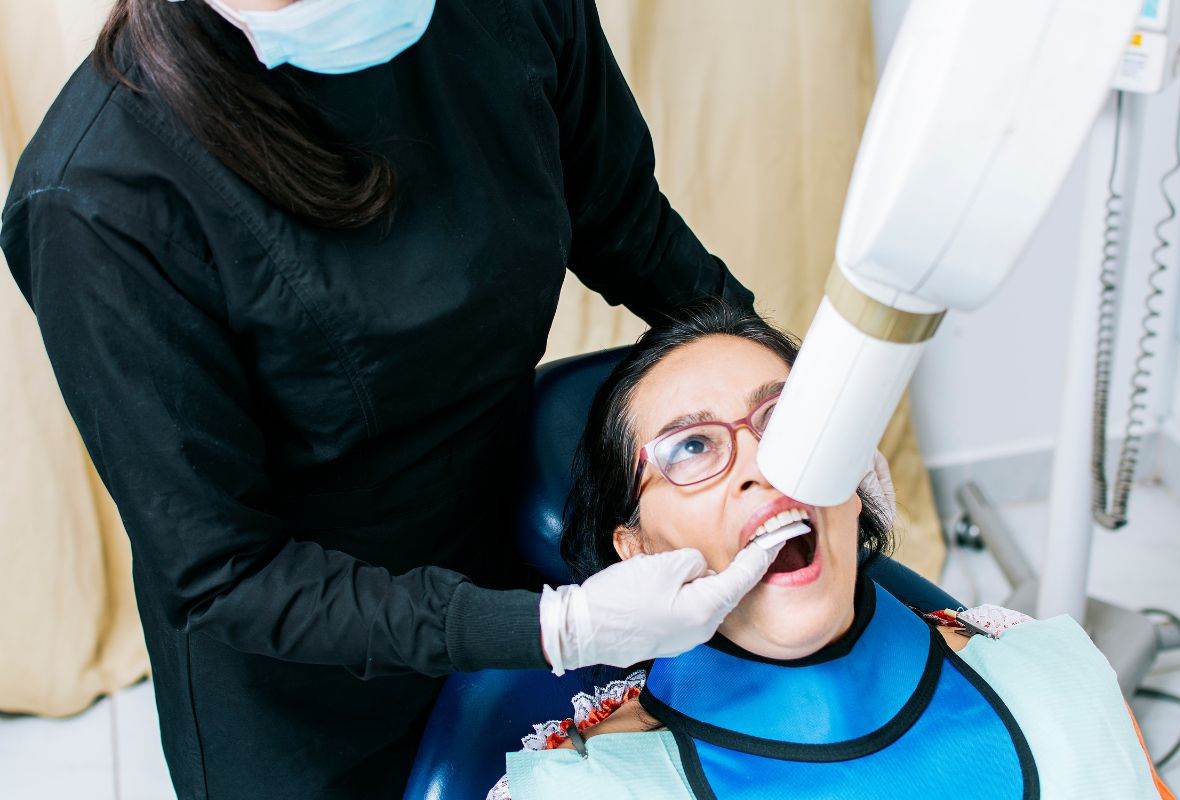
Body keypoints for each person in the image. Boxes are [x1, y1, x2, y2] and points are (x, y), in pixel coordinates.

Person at [0, 2, 777, 798]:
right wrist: (555, 629)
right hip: (312, 681)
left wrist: (801, 404)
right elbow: (224, 572)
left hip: (516, 544)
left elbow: (629, 227)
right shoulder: (99, 200)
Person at [489, 300, 1176, 799]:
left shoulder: (1050, 679)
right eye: (692, 446)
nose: (767, 466)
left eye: (788, 420)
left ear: (856, 477)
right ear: (633, 547)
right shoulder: (595, 789)